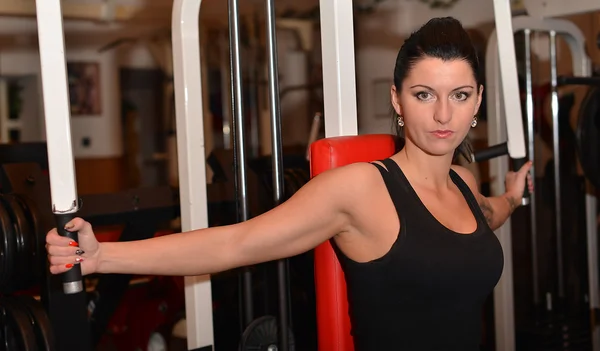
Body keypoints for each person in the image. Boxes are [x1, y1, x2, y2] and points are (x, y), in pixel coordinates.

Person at [46, 17, 533, 350]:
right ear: (398, 100)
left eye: (460, 95)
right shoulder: (360, 190)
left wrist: (512, 195)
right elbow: (238, 243)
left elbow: (491, 214)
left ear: (478, 101)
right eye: (425, 94)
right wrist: (103, 258)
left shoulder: (465, 184)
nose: (444, 114)